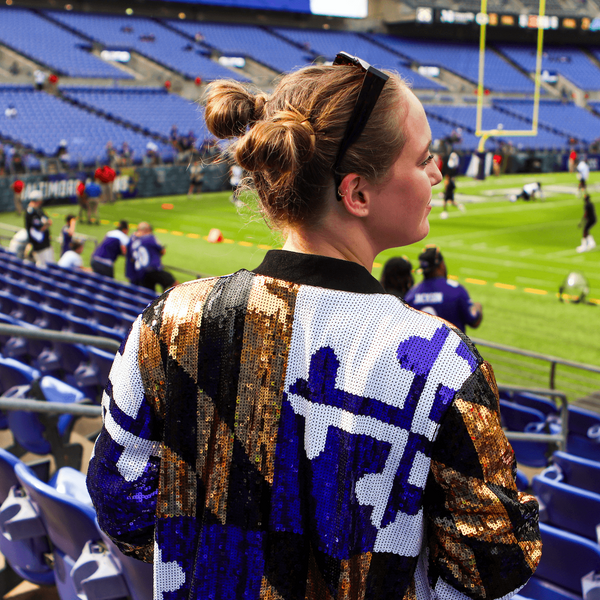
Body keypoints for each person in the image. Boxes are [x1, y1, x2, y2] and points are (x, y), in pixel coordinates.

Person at [87, 53, 540, 600]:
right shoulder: (435, 362)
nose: (438, 171)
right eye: (422, 160)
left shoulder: (171, 321)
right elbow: (494, 564)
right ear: (357, 194)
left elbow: (121, 506)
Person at [404, 245, 483, 333]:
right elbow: (474, 321)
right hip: (451, 346)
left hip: (423, 346)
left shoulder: (412, 293)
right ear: (441, 265)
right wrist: (478, 307)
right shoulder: (455, 290)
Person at [125, 221, 177, 292]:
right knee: (173, 283)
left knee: (149, 293)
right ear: (148, 230)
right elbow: (162, 251)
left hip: (140, 273)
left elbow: (129, 256)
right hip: (152, 269)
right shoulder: (150, 237)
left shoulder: (132, 239)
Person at [24, 190, 54, 267]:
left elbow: (47, 220)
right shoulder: (31, 212)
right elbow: (40, 227)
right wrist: (46, 224)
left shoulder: (38, 210)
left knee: (48, 262)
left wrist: (46, 223)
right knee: (44, 265)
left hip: (45, 243)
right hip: (39, 244)